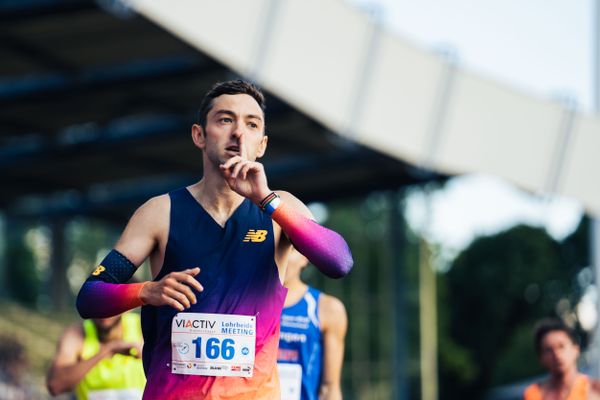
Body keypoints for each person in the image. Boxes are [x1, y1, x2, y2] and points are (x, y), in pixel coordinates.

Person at [75, 80, 353, 400]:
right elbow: (89, 298)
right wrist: (148, 291)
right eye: (225, 120)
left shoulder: (280, 209)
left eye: (251, 124)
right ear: (199, 135)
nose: (238, 132)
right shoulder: (159, 212)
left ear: (261, 145)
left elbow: (339, 262)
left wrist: (266, 200)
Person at [278, 249, 347, 400]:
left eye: (288, 251)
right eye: (274, 249)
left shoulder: (327, 308)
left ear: (304, 257)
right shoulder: (244, 303)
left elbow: (330, 387)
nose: (281, 257)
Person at [46, 312, 145, 399]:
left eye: (110, 303)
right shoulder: (77, 333)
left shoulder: (142, 327)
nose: (103, 310)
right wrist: (108, 350)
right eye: (97, 303)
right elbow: (55, 385)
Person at [523, 318, 600, 400]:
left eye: (561, 346)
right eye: (548, 350)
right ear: (541, 358)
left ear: (576, 350)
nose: (556, 354)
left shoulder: (595, 390)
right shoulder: (532, 394)